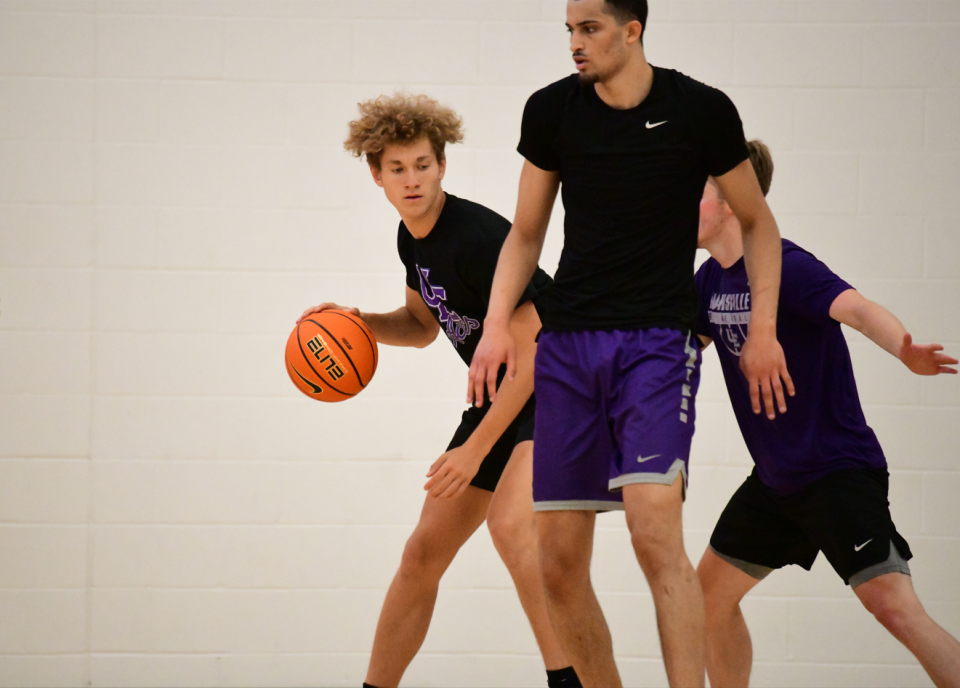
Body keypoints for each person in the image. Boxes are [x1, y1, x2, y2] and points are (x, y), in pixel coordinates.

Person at [467, 1, 792, 686]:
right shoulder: (551, 111)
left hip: (655, 344)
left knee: (653, 531)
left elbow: (759, 224)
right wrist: (497, 324)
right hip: (568, 349)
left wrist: (762, 329)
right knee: (554, 562)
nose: (575, 44)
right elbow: (526, 233)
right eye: (569, 30)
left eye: (588, 29)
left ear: (632, 30)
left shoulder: (701, 111)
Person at [298, 94, 580, 688]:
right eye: (397, 169)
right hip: (501, 394)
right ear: (375, 175)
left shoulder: (476, 235)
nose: (412, 179)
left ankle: (569, 680)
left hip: (562, 385)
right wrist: (357, 322)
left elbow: (535, 351)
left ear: (442, 165)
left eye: (423, 164)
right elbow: (424, 327)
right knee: (422, 554)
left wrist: (475, 449)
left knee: (510, 527)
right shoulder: (412, 241)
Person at [695, 139, 960, 688]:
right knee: (708, 598)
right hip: (774, 483)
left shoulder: (784, 264)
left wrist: (904, 350)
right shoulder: (708, 281)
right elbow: (680, 348)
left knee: (893, 609)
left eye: (691, 189)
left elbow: (857, 309)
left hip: (835, 471)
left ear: (731, 201)